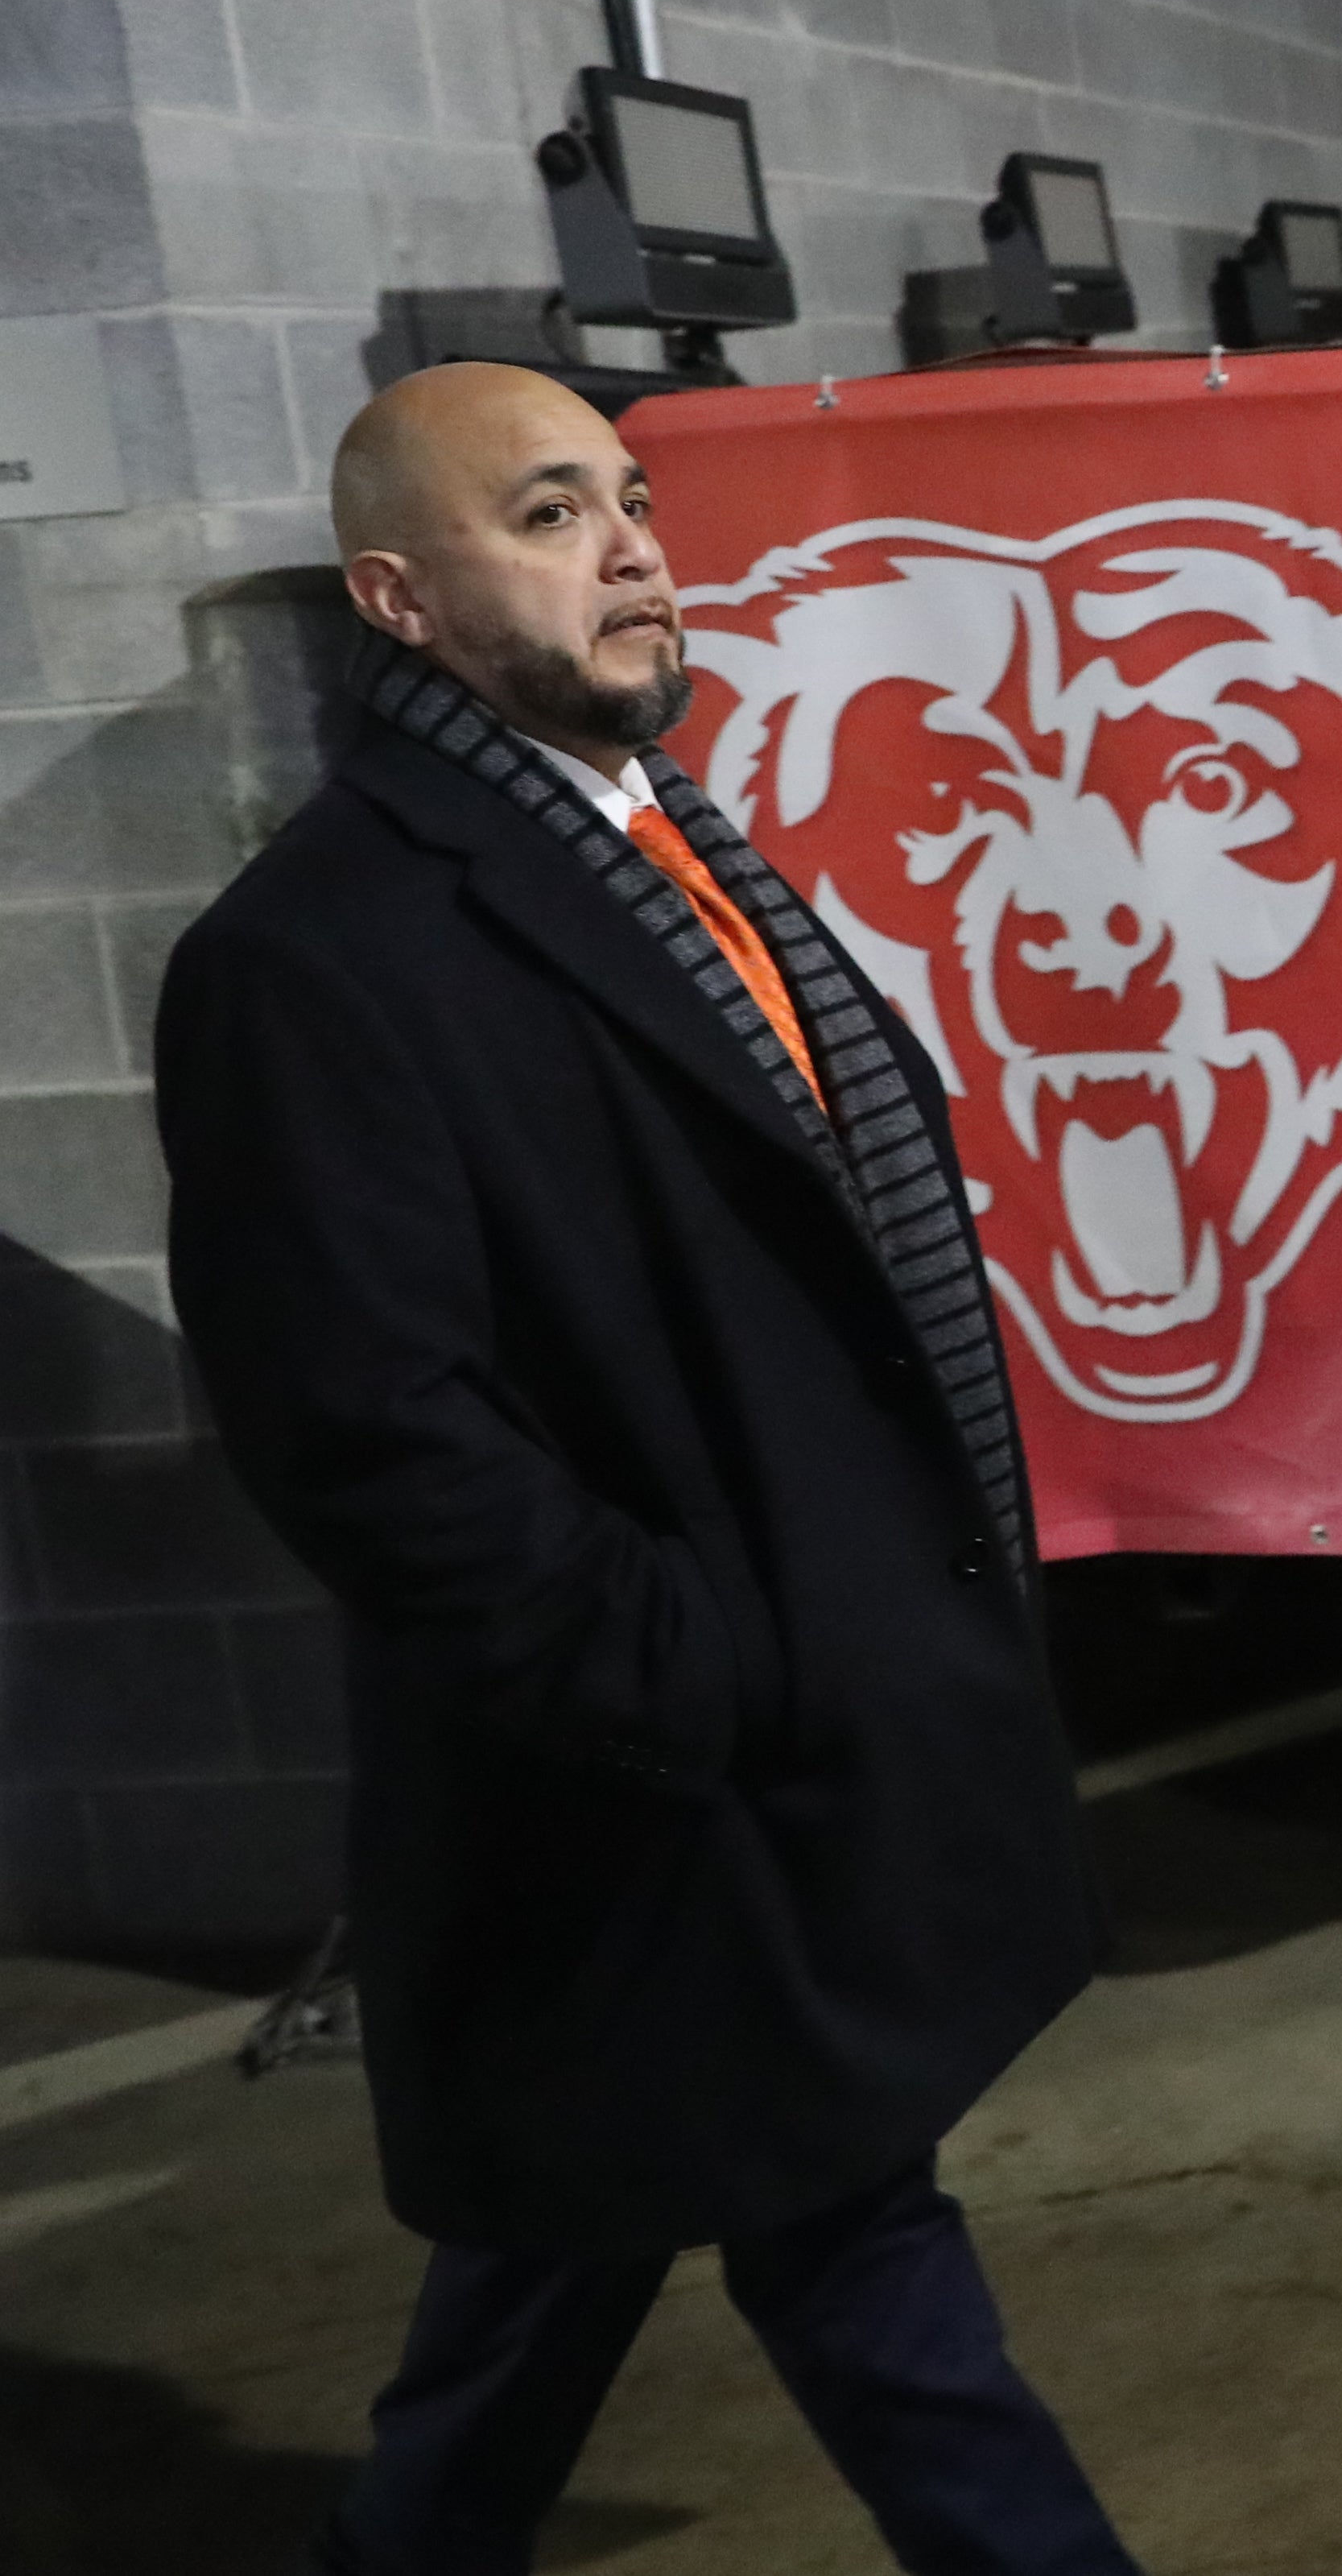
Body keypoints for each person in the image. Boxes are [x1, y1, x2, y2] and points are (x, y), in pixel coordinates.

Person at [155, 364, 1136, 2576]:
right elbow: (366, 1433)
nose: (629, 542)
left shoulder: (662, 846)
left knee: (560, 2257)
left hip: (752, 1768)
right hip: (650, 1788)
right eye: (548, 510)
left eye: (629, 493)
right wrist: (706, 1674)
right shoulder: (313, 957)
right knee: (860, 2257)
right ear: (401, 599)